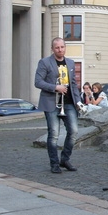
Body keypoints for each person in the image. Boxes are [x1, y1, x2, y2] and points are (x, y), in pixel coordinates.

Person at [34, 37, 80, 173]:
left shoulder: (70, 63)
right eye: (57, 47)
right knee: (54, 134)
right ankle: (54, 164)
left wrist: (78, 101)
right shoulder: (44, 62)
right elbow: (38, 82)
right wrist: (55, 87)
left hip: (68, 103)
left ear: (65, 47)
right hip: (51, 103)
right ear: (52, 49)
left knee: (74, 131)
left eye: (62, 47)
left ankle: (64, 159)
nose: (60, 50)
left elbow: (73, 84)